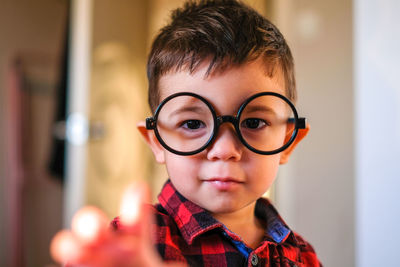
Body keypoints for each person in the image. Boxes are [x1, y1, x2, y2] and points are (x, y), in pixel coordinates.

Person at [50, 0, 322, 266]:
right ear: (157, 140)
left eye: (253, 123)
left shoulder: (303, 256)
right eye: (192, 124)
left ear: (288, 141)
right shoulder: (132, 246)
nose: (224, 149)